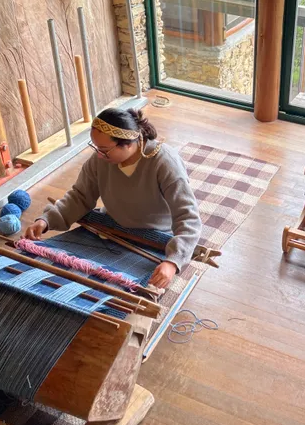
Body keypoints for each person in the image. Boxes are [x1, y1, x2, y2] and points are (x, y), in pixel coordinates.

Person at [24, 108, 202, 289]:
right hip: (111, 229)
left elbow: (188, 217)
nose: (99, 154)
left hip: (155, 239)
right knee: (58, 274)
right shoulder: (100, 160)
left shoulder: (165, 162)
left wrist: (173, 261)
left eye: (104, 150)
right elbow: (80, 196)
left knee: (125, 289)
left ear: (128, 144)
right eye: (96, 148)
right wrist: (47, 220)